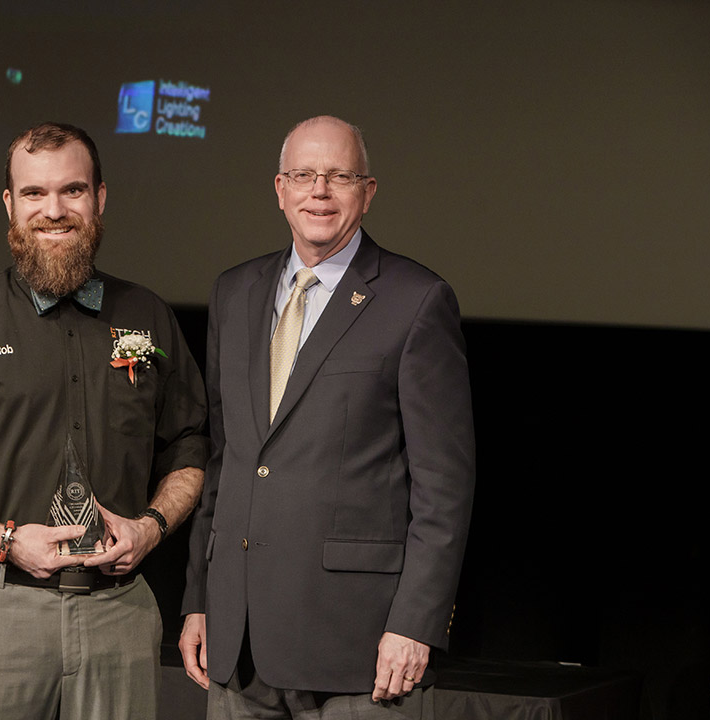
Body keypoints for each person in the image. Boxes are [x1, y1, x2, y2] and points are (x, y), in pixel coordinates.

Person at [0, 121, 207, 720]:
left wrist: (152, 526)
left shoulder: (146, 316)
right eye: (34, 194)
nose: (54, 211)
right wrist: (3, 539)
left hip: (119, 616)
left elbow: (190, 445)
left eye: (72, 191)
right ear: (9, 205)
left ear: (100, 199)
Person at [178, 115, 475, 719]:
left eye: (339, 176)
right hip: (240, 645)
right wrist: (200, 599)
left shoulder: (416, 300)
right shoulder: (234, 292)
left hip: (359, 652)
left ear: (367, 193)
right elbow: (227, 460)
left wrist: (415, 624)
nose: (320, 190)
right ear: (280, 190)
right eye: (305, 175)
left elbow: (444, 486)